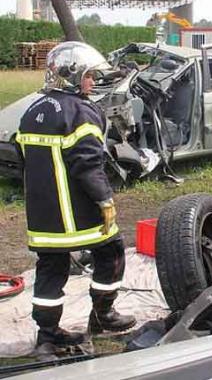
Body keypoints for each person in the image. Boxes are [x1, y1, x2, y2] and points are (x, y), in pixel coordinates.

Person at [16, 42, 135, 356]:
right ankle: (103, 316)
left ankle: (47, 334)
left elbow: (22, 159)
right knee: (112, 252)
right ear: (71, 75)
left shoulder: (31, 110)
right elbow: (88, 165)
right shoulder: (81, 111)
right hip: (79, 213)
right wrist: (105, 200)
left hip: (42, 215)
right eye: (88, 75)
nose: (92, 81)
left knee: (50, 270)